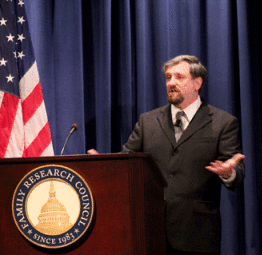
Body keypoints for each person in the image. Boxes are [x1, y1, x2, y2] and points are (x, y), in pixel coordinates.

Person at [88, 54, 245, 254]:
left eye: (179, 77)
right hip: (150, 230)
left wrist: (228, 172)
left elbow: (236, 170)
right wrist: (104, 164)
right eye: (168, 77)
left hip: (197, 234)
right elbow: (127, 160)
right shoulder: (148, 121)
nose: (171, 82)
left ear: (197, 83)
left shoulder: (222, 123)